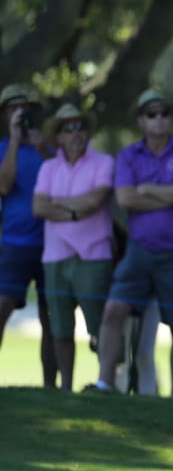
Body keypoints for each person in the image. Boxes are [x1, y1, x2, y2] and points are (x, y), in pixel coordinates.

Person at [90, 89, 173, 397]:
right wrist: (169, 193)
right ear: (140, 119)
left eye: (164, 113)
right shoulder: (127, 155)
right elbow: (125, 199)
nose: (159, 119)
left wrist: (148, 190)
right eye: (151, 114)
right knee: (114, 311)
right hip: (140, 249)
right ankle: (104, 383)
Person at [32, 103, 114, 392]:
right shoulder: (48, 167)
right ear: (59, 137)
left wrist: (62, 207)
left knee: (99, 327)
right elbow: (38, 207)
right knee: (61, 329)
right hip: (55, 256)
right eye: (68, 128)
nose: (76, 132)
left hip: (93, 255)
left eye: (80, 126)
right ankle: (66, 388)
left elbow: (96, 201)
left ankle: (106, 384)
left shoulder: (103, 162)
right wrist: (77, 210)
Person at [0, 83, 56, 388]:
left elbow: (62, 175)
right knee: (2, 308)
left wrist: (40, 147)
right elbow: (4, 185)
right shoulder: (2, 149)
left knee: (51, 319)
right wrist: (13, 139)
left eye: (24, 109)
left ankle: (51, 387)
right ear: (6, 114)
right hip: (14, 244)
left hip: (49, 244)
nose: (20, 114)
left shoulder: (45, 147)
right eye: (13, 108)